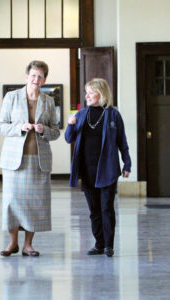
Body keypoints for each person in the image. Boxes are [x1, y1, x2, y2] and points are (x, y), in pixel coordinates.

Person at [0, 60, 60, 257]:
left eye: (40, 76)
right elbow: (0, 126)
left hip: (38, 161)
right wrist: (19, 128)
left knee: (35, 203)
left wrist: (44, 130)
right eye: (33, 75)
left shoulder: (48, 101)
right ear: (26, 77)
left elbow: (56, 132)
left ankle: (28, 245)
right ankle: (12, 243)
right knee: (12, 202)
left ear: (45, 80)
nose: (36, 79)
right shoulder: (12, 97)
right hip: (14, 161)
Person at [65, 78, 131, 257]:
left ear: (101, 94)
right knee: (94, 210)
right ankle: (99, 244)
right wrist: (70, 125)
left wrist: (127, 163)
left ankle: (109, 245)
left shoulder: (113, 115)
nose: (86, 95)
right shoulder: (80, 114)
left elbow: (122, 142)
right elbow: (68, 138)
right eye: (86, 92)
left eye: (90, 92)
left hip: (107, 169)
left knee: (106, 208)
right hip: (87, 170)